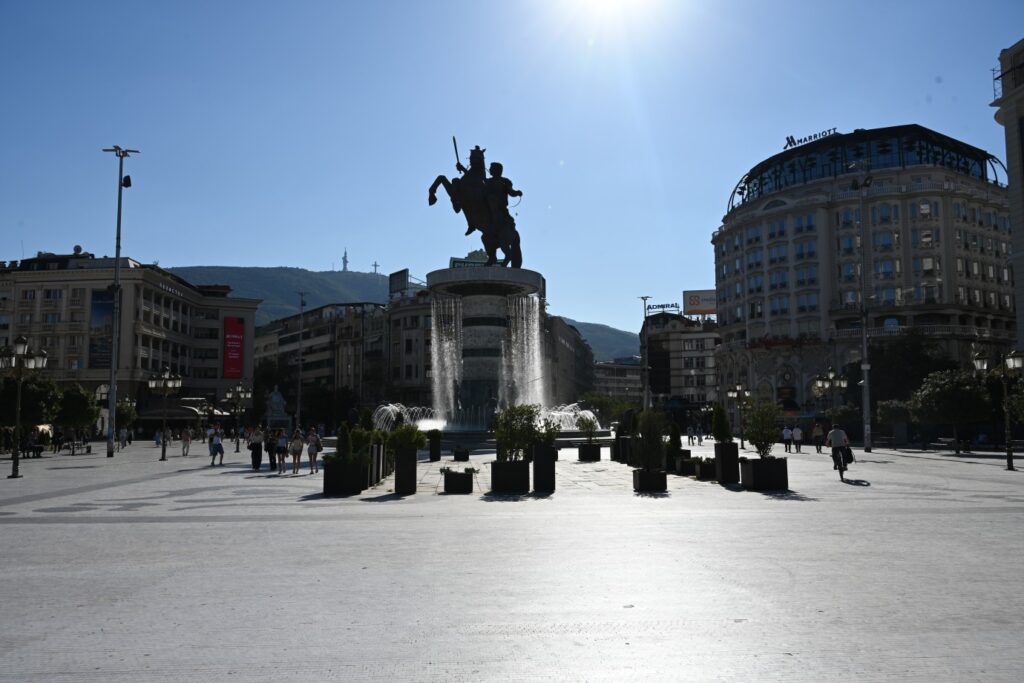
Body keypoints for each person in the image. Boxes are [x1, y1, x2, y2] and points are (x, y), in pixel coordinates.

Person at [485, 162, 524, 268]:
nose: (489, 169)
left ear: (497, 170)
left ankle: (508, 256)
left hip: (500, 210)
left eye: (491, 168)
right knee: (485, 237)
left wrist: (516, 193)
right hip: (490, 212)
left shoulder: (505, 181)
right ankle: (492, 257)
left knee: (501, 233)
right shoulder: (488, 181)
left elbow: (511, 191)